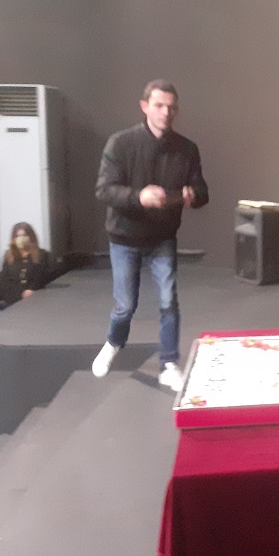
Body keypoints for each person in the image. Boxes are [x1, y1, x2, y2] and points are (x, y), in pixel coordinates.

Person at [92, 79, 209, 390]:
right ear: (145, 107)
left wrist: (192, 195)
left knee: (169, 301)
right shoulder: (121, 143)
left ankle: (169, 363)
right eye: (159, 105)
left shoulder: (186, 149)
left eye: (171, 107)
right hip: (124, 237)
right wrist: (138, 196)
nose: (166, 112)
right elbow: (104, 189)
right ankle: (114, 343)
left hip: (162, 237)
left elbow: (202, 192)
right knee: (125, 306)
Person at [1, 222, 55, 300]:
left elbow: (41, 276)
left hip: (37, 297)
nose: (21, 239)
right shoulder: (8, 255)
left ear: (30, 237)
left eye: (24, 235)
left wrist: (31, 290)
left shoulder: (41, 254)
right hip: (14, 298)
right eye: (17, 236)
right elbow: (5, 279)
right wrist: (20, 293)